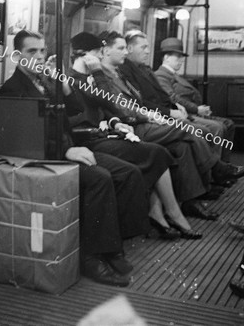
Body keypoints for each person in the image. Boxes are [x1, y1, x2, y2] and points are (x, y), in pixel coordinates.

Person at [0, 30, 150, 287]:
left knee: (128, 173)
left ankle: (112, 247)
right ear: (17, 56)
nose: (38, 56)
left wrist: (65, 86)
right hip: (45, 157)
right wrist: (65, 152)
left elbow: (76, 109)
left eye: (42, 50)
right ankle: (91, 258)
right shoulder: (12, 89)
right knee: (99, 179)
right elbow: (23, 140)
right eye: (31, 51)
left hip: (69, 148)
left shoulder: (45, 82)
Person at [69, 32, 202, 240]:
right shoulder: (75, 79)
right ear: (85, 55)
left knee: (158, 152)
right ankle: (170, 214)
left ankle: (162, 213)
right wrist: (97, 72)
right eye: (96, 54)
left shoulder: (90, 77)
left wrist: (116, 122)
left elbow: (106, 111)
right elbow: (109, 103)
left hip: (110, 132)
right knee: (155, 153)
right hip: (90, 140)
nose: (99, 58)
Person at [119, 29, 244, 189]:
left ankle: (209, 181)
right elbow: (142, 102)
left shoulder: (143, 69)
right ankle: (216, 171)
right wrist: (172, 112)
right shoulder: (126, 71)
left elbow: (162, 96)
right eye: (143, 47)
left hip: (164, 114)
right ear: (130, 49)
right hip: (150, 120)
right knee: (202, 131)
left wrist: (174, 107)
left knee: (199, 136)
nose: (148, 51)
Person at [155, 37, 235, 162]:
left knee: (228, 124)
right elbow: (173, 97)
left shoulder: (173, 75)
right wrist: (197, 109)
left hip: (191, 112)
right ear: (166, 58)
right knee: (218, 127)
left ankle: (223, 166)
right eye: (178, 57)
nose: (181, 60)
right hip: (184, 114)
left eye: (182, 57)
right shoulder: (161, 75)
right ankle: (216, 170)